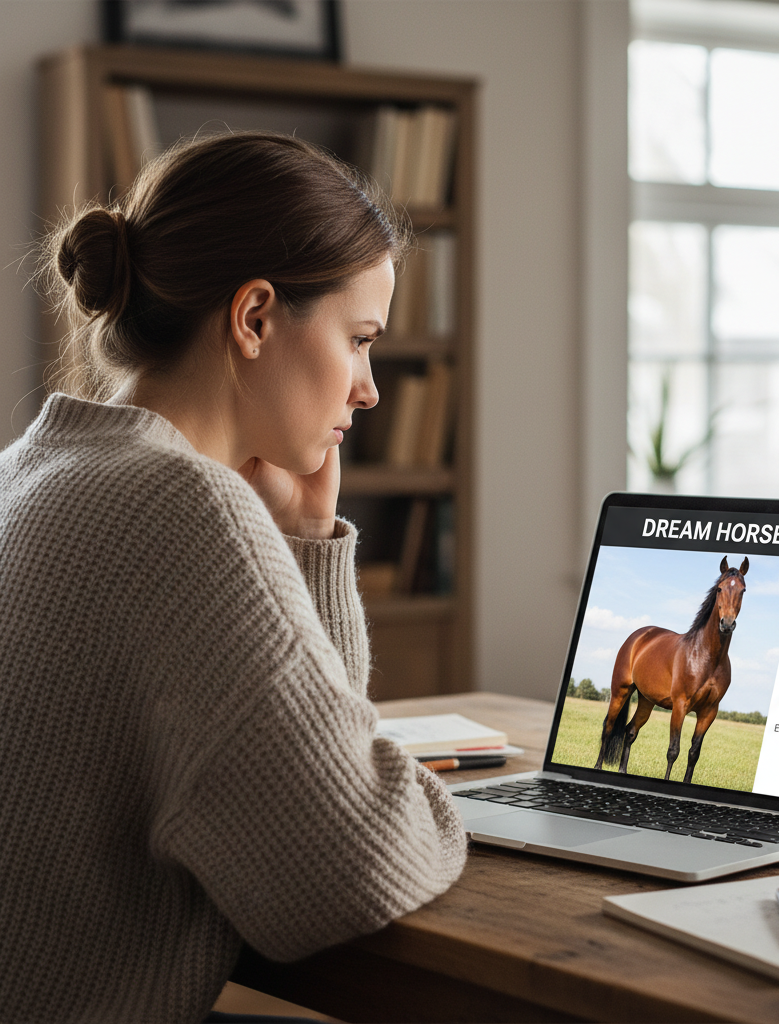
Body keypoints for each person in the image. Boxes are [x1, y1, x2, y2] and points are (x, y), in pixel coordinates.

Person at [0, 132, 467, 1023]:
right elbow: (354, 863)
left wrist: (304, 539)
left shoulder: (29, 468)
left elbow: (306, 774)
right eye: (360, 340)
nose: (369, 389)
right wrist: (435, 806)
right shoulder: (179, 509)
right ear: (254, 318)